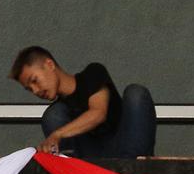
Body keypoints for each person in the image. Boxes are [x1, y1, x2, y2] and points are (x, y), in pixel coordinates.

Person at [9, 46, 156, 158]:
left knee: (135, 93)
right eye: (29, 89)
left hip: (126, 150)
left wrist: (57, 135)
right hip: (91, 162)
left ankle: (137, 170)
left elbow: (98, 113)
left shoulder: (92, 73)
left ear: (49, 65)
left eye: (34, 80)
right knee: (53, 115)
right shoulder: (58, 114)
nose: (35, 91)